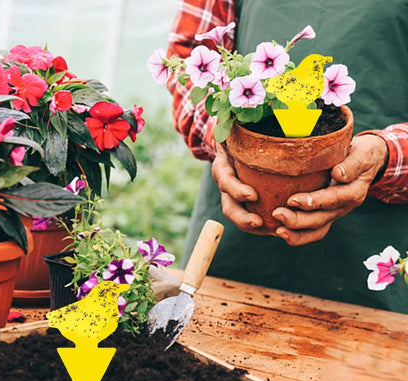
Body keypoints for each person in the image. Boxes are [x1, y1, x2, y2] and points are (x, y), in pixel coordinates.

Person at [166, 0, 408, 312]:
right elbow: (189, 54)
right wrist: (222, 135)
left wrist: (386, 154)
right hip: (237, 236)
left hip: (374, 252)